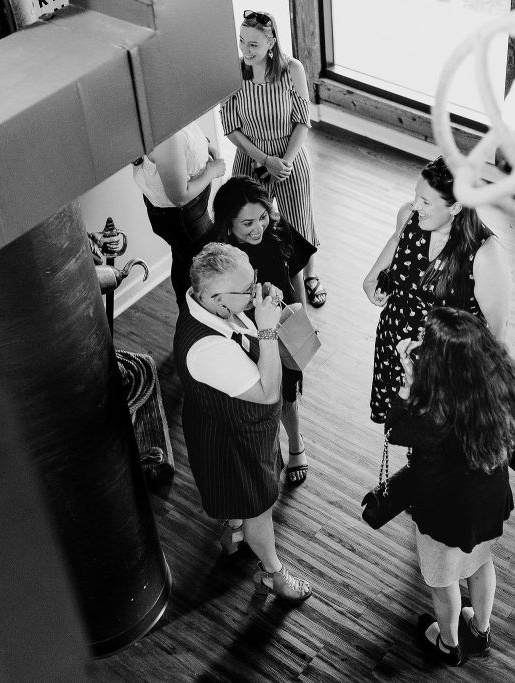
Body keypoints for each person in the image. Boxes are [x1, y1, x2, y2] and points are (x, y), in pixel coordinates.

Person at [386, 307, 515, 666]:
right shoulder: (499, 384)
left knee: (442, 580)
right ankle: (480, 631)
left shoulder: (433, 407)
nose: (417, 344)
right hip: (488, 500)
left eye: (424, 342)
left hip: (444, 509)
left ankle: (448, 645)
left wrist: (407, 381)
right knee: (481, 563)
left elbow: (395, 430)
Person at [173, 243, 311, 602]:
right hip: (232, 439)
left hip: (239, 426)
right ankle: (272, 573)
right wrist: (266, 331)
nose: (257, 292)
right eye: (248, 289)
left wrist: (264, 306)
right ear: (218, 300)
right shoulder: (205, 349)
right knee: (259, 508)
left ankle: (233, 527)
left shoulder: (215, 306)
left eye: (255, 283)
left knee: (239, 498)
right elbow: (267, 391)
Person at [363, 156, 511, 423]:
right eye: (416, 196)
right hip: (395, 339)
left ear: (455, 207)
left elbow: (497, 334)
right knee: (401, 424)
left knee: (431, 436)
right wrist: (373, 276)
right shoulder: (409, 216)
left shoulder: (485, 254)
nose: (415, 205)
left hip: (443, 362)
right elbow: (398, 239)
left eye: (426, 202)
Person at [212, 175, 317, 486]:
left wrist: (303, 315)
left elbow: (296, 273)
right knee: (258, 400)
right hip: (247, 335)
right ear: (229, 224)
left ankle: (296, 444)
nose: (258, 227)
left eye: (262, 216)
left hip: (285, 323)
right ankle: (268, 454)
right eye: (247, 223)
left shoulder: (277, 227)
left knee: (287, 394)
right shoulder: (221, 255)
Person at [221, 9, 326, 308]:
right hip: (250, 159)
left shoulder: (292, 69)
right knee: (249, 224)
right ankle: (258, 278)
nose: (245, 50)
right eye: (242, 42)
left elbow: (302, 120)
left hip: (290, 158)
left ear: (271, 42)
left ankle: (308, 276)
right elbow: (230, 126)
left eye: (253, 44)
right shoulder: (233, 72)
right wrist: (265, 160)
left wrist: (285, 161)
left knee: (298, 221)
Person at [132, 121, 226, 309]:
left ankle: (187, 310)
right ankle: (196, 315)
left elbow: (183, 145)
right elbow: (180, 197)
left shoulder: (170, 114)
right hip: (183, 217)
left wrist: (205, 145)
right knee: (207, 271)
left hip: (187, 214)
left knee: (184, 260)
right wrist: (211, 171)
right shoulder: (166, 136)